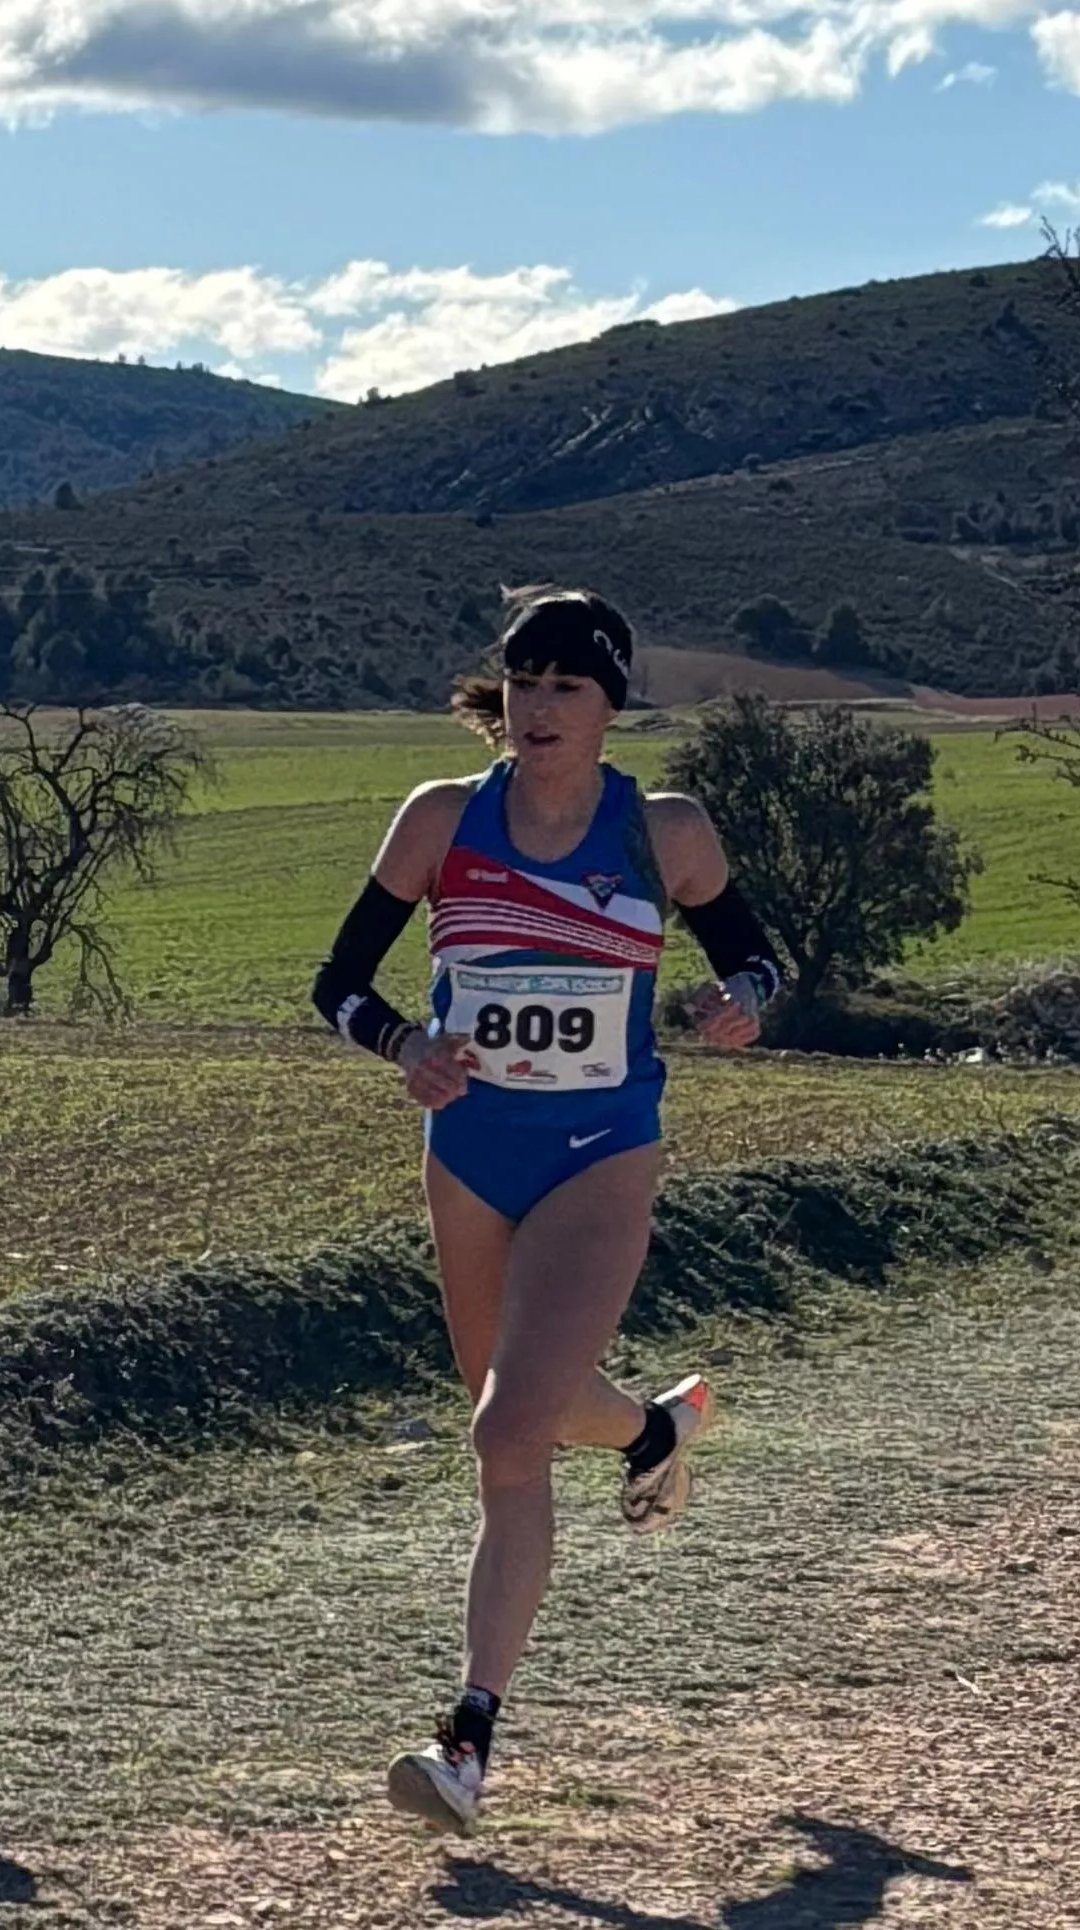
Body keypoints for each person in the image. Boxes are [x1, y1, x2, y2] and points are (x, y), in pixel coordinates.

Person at [311, 588, 782, 1837]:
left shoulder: (661, 832)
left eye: (564, 687)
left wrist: (743, 1001)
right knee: (509, 1415)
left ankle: (466, 1736)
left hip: (599, 1153)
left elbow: (757, 955)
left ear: (610, 704)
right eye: (521, 683)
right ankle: (649, 1432)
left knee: (508, 1429)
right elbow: (336, 983)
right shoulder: (439, 821)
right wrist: (402, 1042)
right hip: (467, 1155)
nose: (535, 708)